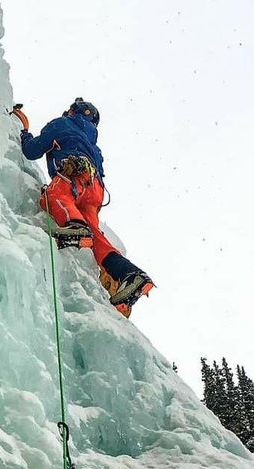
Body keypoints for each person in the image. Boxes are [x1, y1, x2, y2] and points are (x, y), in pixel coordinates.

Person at [12, 98, 153, 316]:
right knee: (96, 237)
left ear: (72, 111)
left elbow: (32, 151)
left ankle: (75, 226)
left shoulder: (62, 123)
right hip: (95, 190)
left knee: (53, 195)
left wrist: (24, 133)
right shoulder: (93, 145)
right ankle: (129, 274)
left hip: (75, 173)